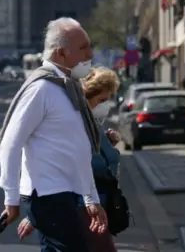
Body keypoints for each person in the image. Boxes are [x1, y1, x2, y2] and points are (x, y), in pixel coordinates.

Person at [0, 17, 108, 252]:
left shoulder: (68, 88)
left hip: (63, 193)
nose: (90, 54)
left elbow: (79, 148)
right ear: (61, 54)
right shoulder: (41, 89)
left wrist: (91, 198)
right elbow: (10, 143)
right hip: (47, 195)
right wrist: (11, 198)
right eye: (82, 48)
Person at [16, 67, 123, 252]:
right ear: (89, 96)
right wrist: (37, 215)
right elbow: (67, 165)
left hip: (92, 208)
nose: (106, 105)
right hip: (83, 210)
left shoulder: (91, 123)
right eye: (103, 100)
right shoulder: (77, 123)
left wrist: (108, 143)